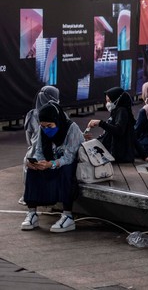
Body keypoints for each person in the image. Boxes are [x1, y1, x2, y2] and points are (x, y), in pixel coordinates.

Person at [22, 102, 84, 233]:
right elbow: (39, 150)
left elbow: (69, 157)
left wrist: (52, 164)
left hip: (67, 164)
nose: (46, 130)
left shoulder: (72, 128)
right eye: (43, 126)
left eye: (49, 126)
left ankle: (67, 216)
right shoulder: (42, 130)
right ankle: (32, 213)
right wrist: (38, 163)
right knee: (32, 170)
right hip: (50, 163)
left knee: (66, 169)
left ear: (57, 120)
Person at [20, 85, 61, 205]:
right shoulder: (58, 114)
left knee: (29, 169)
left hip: (32, 152)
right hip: (53, 152)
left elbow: (29, 138)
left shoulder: (31, 114)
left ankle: (28, 197)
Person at [86, 87, 136, 163]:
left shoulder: (122, 111)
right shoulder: (116, 111)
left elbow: (118, 130)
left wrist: (100, 123)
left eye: (109, 101)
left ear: (117, 100)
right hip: (114, 151)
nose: (107, 104)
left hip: (118, 154)